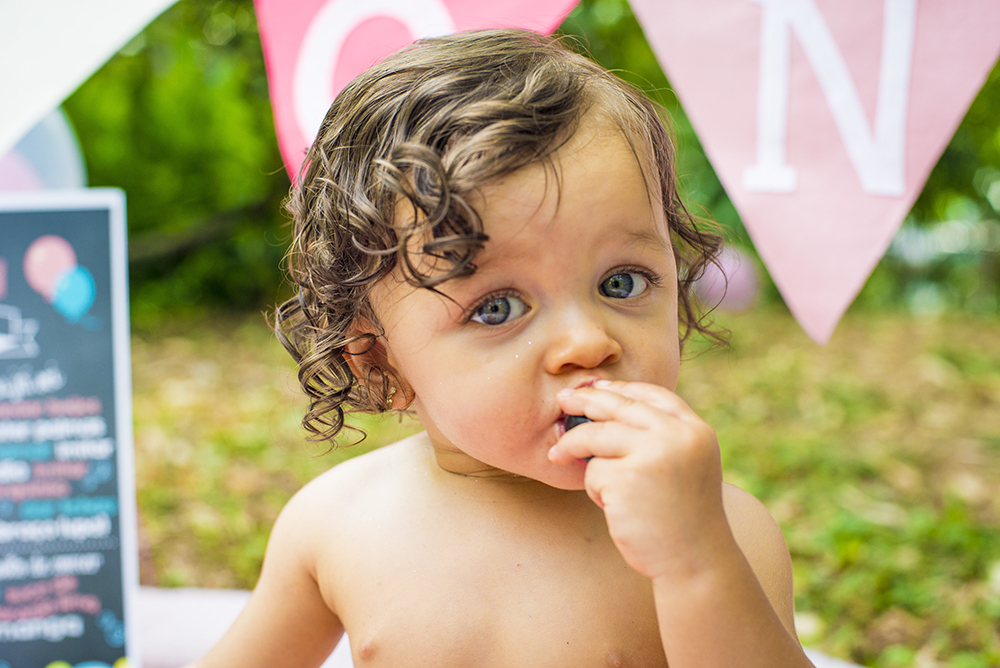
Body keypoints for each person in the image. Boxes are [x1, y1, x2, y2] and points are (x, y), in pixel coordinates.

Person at [190, 29, 815, 667]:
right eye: (497, 309)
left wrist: (697, 565)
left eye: (620, 283)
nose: (587, 342)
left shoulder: (725, 534)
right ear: (382, 364)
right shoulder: (336, 525)